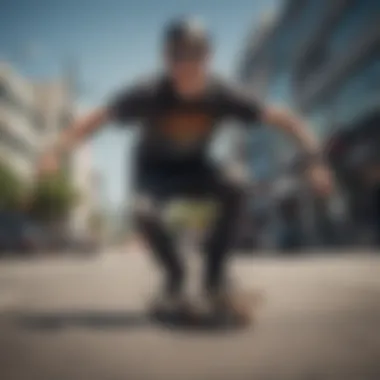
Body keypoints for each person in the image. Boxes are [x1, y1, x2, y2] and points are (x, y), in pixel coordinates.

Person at [37, 17, 332, 319]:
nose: (187, 65)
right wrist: (56, 151)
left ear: (208, 58)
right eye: (178, 56)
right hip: (154, 173)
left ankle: (214, 281)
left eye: (195, 56)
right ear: (166, 59)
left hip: (195, 168)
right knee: (144, 211)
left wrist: (316, 161)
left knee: (236, 184)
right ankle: (175, 280)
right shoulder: (148, 92)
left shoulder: (224, 94)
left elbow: (287, 120)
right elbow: (97, 118)